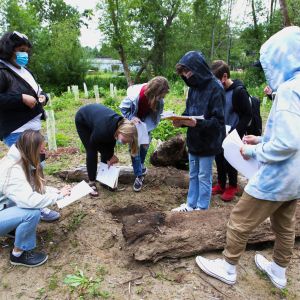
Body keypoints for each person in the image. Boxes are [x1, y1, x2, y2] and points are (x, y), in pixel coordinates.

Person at [195, 26, 300, 290]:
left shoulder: (288, 91)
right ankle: (278, 270)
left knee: (240, 220)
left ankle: (228, 267)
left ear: (280, 58)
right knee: (285, 226)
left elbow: (288, 142)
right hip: (296, 177)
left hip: (277, 174)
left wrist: (252, 150)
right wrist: (262, 139)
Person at [0, 31, 60, 222]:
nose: (24, 54)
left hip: (33, 128)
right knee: (26, 169)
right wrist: (20, 98)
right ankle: (29, 207)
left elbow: (38, 90)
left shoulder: (25, 71)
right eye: (20, 50)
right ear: (9, 50)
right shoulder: (2, 71)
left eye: (26, 51)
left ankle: (37, 200)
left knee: (38, 165)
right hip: (17, 130)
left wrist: (43, 97)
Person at [0, 130, 71, 267]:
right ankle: (19, 254)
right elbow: (30, 200)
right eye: (42, 150)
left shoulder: (19, 159)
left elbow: (30, 189)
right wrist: (58, 196)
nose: (44, 153)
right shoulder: (12, 170)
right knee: (31, 212)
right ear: (32, 150)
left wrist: (57, 191)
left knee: (27, 207)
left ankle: (11, 229)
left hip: (3, 207)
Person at [171, 51, 226, 212]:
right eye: (183, 73)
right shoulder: (193, 88)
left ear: (197, 68)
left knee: (204, 176)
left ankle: (202, 209)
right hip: (194, 139)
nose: (186, 76)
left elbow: (219, 122)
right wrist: (181, 121)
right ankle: (190, 204)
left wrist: (198, 124)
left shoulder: (216, 87)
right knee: (193, 174)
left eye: (187, 71)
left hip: (209, 141)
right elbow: (189, 112)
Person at [75, 103, 139, 197]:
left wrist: (109, 156)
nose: (124, 143)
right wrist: (110, 156)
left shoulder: (121, 126)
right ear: (119, 132)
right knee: (91, 150)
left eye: (126, 142)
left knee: (108, 147)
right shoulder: (103, 130)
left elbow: (110, 144)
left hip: (98, 120)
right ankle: (91, 182)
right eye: (124, 141)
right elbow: (94, 143)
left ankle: (104, 179)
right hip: (83, 119)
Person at [210, 60, 252, 201]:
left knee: (230, 160)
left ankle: (233, 186)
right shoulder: (217, 90)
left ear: (225, 76)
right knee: (219, 158)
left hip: (233, 132)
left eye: (216, 80)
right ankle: (221, 184)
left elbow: (247, 115)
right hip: (219, 130)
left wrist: (235, 132)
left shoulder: (239, 92)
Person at [120, 76, 169, 192]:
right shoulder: (135, 96)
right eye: (162, 95)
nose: (163, 98)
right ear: (154, 92)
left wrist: (146, 129)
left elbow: (156, 116)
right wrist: (132, 117)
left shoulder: (159, 100)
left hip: (145, 125)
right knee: (135, 150)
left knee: (144, 147)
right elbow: (123, 108)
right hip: (133, 124)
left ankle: (140, 166)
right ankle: (138, 175)